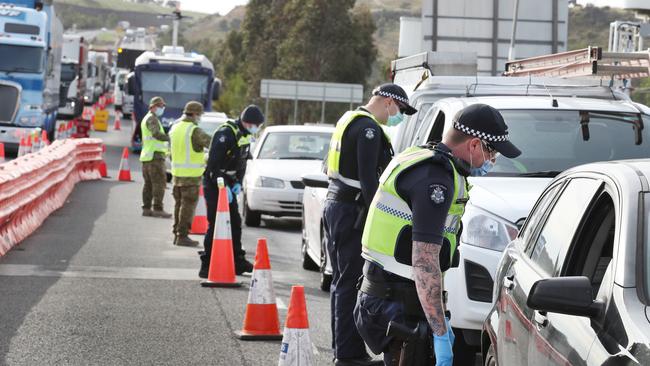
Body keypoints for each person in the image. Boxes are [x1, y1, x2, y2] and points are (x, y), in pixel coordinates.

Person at [353, 104, 522, 365]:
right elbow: (425, 262)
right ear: (474, 144)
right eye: (492, 151)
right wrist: (440, 332)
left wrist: (440, 316)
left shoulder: (422, 159)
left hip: (387, 293)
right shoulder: (436, 180)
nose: (492, 160)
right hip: (396, 302)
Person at [324, 84, 417, 366]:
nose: (398, 116)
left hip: (338, 204)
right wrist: (378, 217)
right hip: (352, 209)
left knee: (342, 280)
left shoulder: (347, 119)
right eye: (399, 110)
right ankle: (348, 354)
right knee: (351, 282)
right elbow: (368, 181)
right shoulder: (369, 129)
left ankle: (344, 349)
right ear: (389, 102)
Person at [199, 105, 265, 278]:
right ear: (247, 122)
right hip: (215, 183)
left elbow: (242, 161)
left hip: (229, 183)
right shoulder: (225, 134)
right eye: (256, 125)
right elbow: (213, 165)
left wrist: (237, 183)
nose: (256, 128)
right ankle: (206, 264)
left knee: (235, 223)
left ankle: (237, 261)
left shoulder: (245, 135)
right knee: (215, 224)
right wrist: (223, 186)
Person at [169, 101, 212, 247]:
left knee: (179, 205)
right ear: (194, 114)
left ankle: (177, 233)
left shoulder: (175, 128)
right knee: (187, 206)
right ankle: (183, 236)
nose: (199, 118)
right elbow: (211, 143)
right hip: (191, 176)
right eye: (199, 115)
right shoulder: (194, 130)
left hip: (176, 175)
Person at [140, 96, 172, 218]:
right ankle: (158, 208)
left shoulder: (148, 118)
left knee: (148, 184)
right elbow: (156, 134)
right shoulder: (152, 119)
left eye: (163, 106)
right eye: (160, 106)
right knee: (159, 183)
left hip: (148, 156)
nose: (162, 108)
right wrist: (170, 137)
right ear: (152, 107)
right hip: (155, 156)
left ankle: (147, 208)